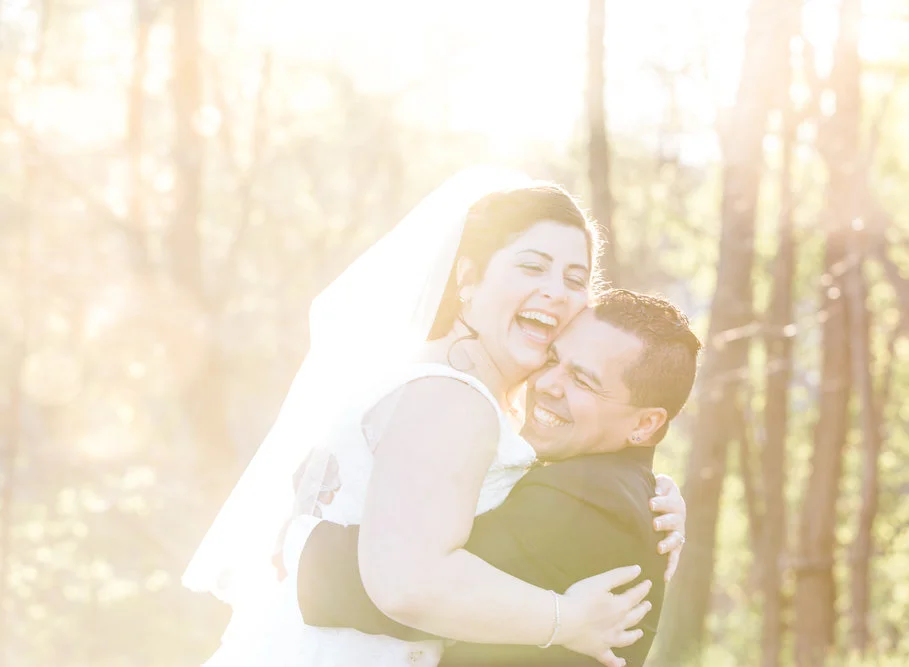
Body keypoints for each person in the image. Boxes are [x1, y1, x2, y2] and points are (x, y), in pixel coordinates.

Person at [183, 170, 682, 667]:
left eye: (575, 278)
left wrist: (655, 493)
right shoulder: (451, 399)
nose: (556, 291)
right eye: (532, 267)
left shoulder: (455, 388)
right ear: (468, 277)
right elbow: (406, 583)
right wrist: (567, 620)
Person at [290, 289, 702, 666]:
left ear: (646, 424)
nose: (546, 383)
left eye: (582, 380)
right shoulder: (610, 488)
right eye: (555, 359)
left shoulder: (589, 504)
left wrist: (299, 535)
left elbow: (403, 582)